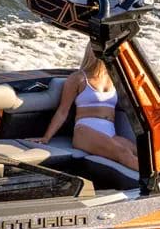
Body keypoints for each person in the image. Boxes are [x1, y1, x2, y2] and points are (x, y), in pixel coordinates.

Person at [34, 42, 138, 170]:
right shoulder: (78, 78)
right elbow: (63, 111)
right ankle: (154, 185)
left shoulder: (115, 78)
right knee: (124, 153)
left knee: (143, 154)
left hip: (110, 133)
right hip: (84, 132)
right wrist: (46, 137)